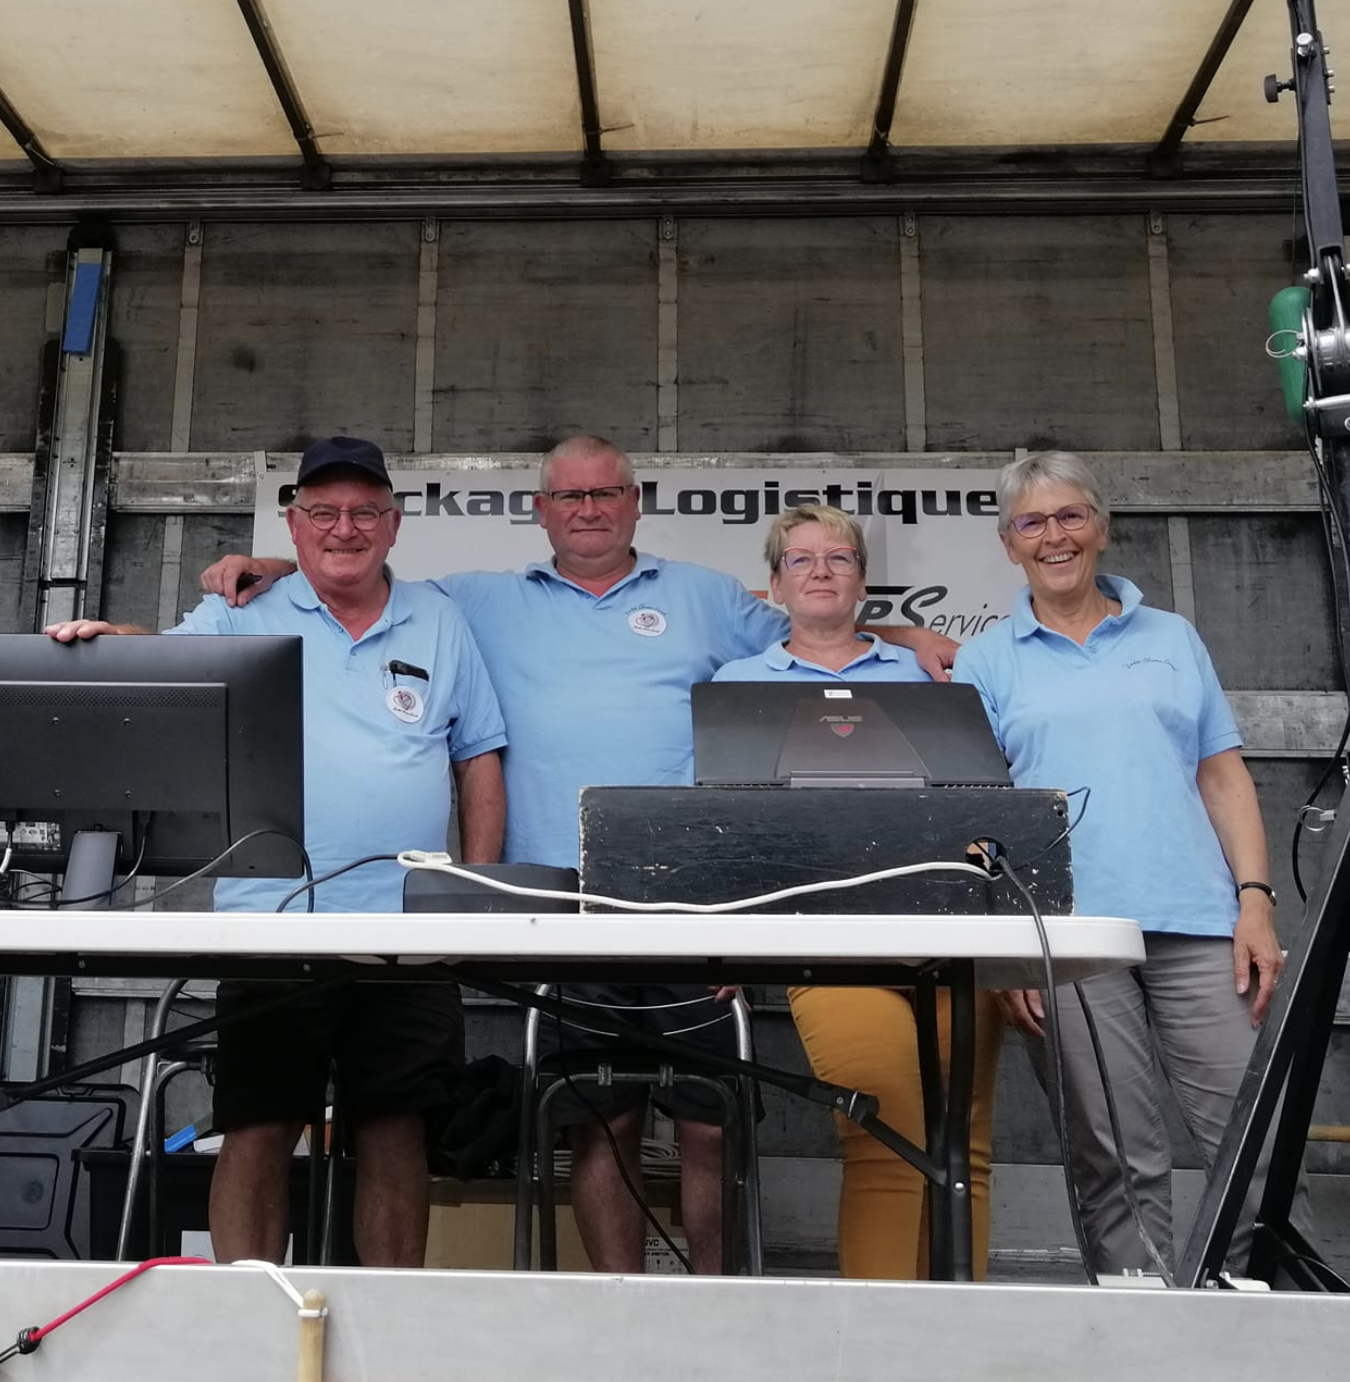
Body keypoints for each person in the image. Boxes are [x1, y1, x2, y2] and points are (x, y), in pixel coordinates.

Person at [201, 434, 958, 1274]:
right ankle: (616, 1304)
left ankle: (717, 1305)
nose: (588, 510)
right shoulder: (474, 601)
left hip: (684, 905)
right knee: (600, 1118)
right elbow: (350, 565)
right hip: (558, 905)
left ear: (635, 503)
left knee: (707, 1120)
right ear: (540, 511)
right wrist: (269, 566)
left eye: (604, 494)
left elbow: (816, 624)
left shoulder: (702, 596)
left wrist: (907, 635)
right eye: (569, 496)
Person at [48, 435, 508, 1269]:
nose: (345, 528)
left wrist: (471, 894)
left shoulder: (440, 617)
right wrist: (111, 636)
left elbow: (478, 758)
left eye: (364, 511)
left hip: (409, 929)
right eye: (324, 512)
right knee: (260, 1123)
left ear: (394, 525)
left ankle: (386, 1318)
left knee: (396, 1127)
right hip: (273, 922)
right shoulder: (243, 610)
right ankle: (247, 1316)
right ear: (294, 525)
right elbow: (163, 665)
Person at [952, 450, 1283, 1277]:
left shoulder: (1173, 637)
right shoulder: (987, 660)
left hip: (1201, 925)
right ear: (1008, 544)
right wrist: (1010, 950)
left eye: (1070, 516)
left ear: (1101, 526)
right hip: (1068, 938)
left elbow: (1222, 777)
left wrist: (1255, 900)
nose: (1054, 536)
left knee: (1255, 1140)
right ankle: (1143, 1319)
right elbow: (979, 819)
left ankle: (1251, 1304)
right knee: (1116, 1156)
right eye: (1032, 522)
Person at [713, 504, 1003, 1280]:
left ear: (864, 582)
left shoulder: (928, 674)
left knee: (963, 1146)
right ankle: (878, 1337)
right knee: (886, 1133)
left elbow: (981, 798)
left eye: (839, 558)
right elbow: (717, 821)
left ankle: (960, 1333)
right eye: (801, 560)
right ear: (774, 585)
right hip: (826, 944)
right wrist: (724, 930)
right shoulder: (737, 686)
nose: (820, 572)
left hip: (950, 938)